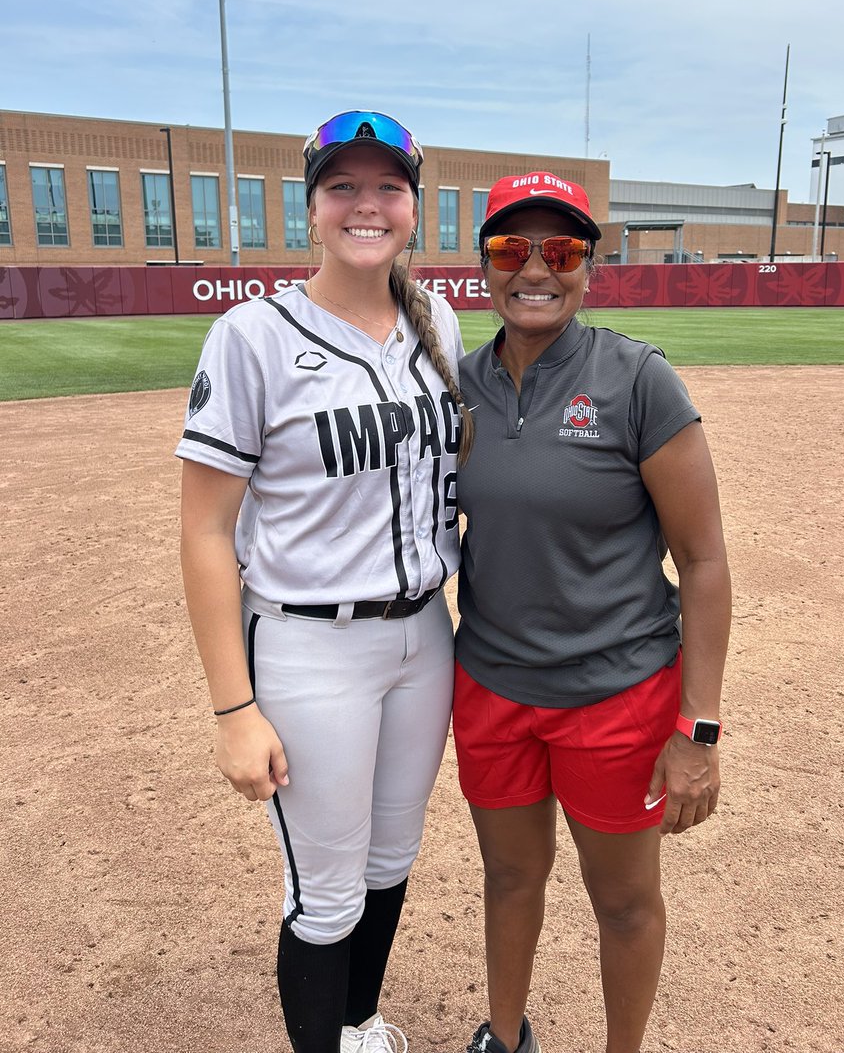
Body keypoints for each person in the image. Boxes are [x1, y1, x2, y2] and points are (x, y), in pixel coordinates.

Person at [178, 110, 473, 1053]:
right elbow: (204, 530)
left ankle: (358, 1021)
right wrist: (234, 710)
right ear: (311, 208)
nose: (366, 204)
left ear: (414, 208)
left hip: (426, 636)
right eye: (342, 185)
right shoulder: (251, 335)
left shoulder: (439, 325)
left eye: (387, 186)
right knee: (326, 891)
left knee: (394, 859)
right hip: (309, 645)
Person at [453, 173, 731, 1053]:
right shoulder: (456, 387)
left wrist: (700, 727)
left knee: (621, 899)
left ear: (588, 267)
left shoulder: (638, 378)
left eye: (561, 250)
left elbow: (705, 561)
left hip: (617, 697)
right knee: (508, 878)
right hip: (492, 687)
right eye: (511, 249)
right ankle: (504, 1037)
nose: (536, 268)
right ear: (486, 266)